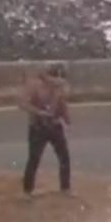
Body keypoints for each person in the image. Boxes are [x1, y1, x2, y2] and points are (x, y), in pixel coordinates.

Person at [18, 63, 71, 197]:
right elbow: (23, 103)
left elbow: (62, 104)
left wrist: (66, 118)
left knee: (64, 157)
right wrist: (39, 112)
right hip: (38, 126)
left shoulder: (60, 88)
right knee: (34, 159)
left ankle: (65, 188)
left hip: (55, 126)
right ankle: (27, 191)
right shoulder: (34, 86)